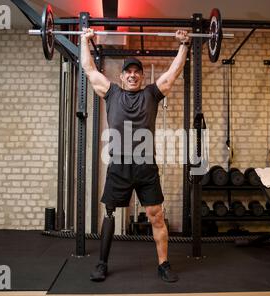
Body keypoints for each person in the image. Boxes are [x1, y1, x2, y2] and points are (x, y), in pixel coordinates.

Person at [81, 28, 190, 283]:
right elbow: (89, 70)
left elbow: (173, 73)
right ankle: (102, 264)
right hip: (118, 164)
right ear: (121, 77)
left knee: (156, 215)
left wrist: (184, 45)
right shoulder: (112, 93)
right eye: (128, 72)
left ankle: (163, 265)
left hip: (145, 166)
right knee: (109, 213)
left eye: (136, 72)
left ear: (141, 77)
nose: (132, 75)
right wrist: (84, 40)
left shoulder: (151, 94)